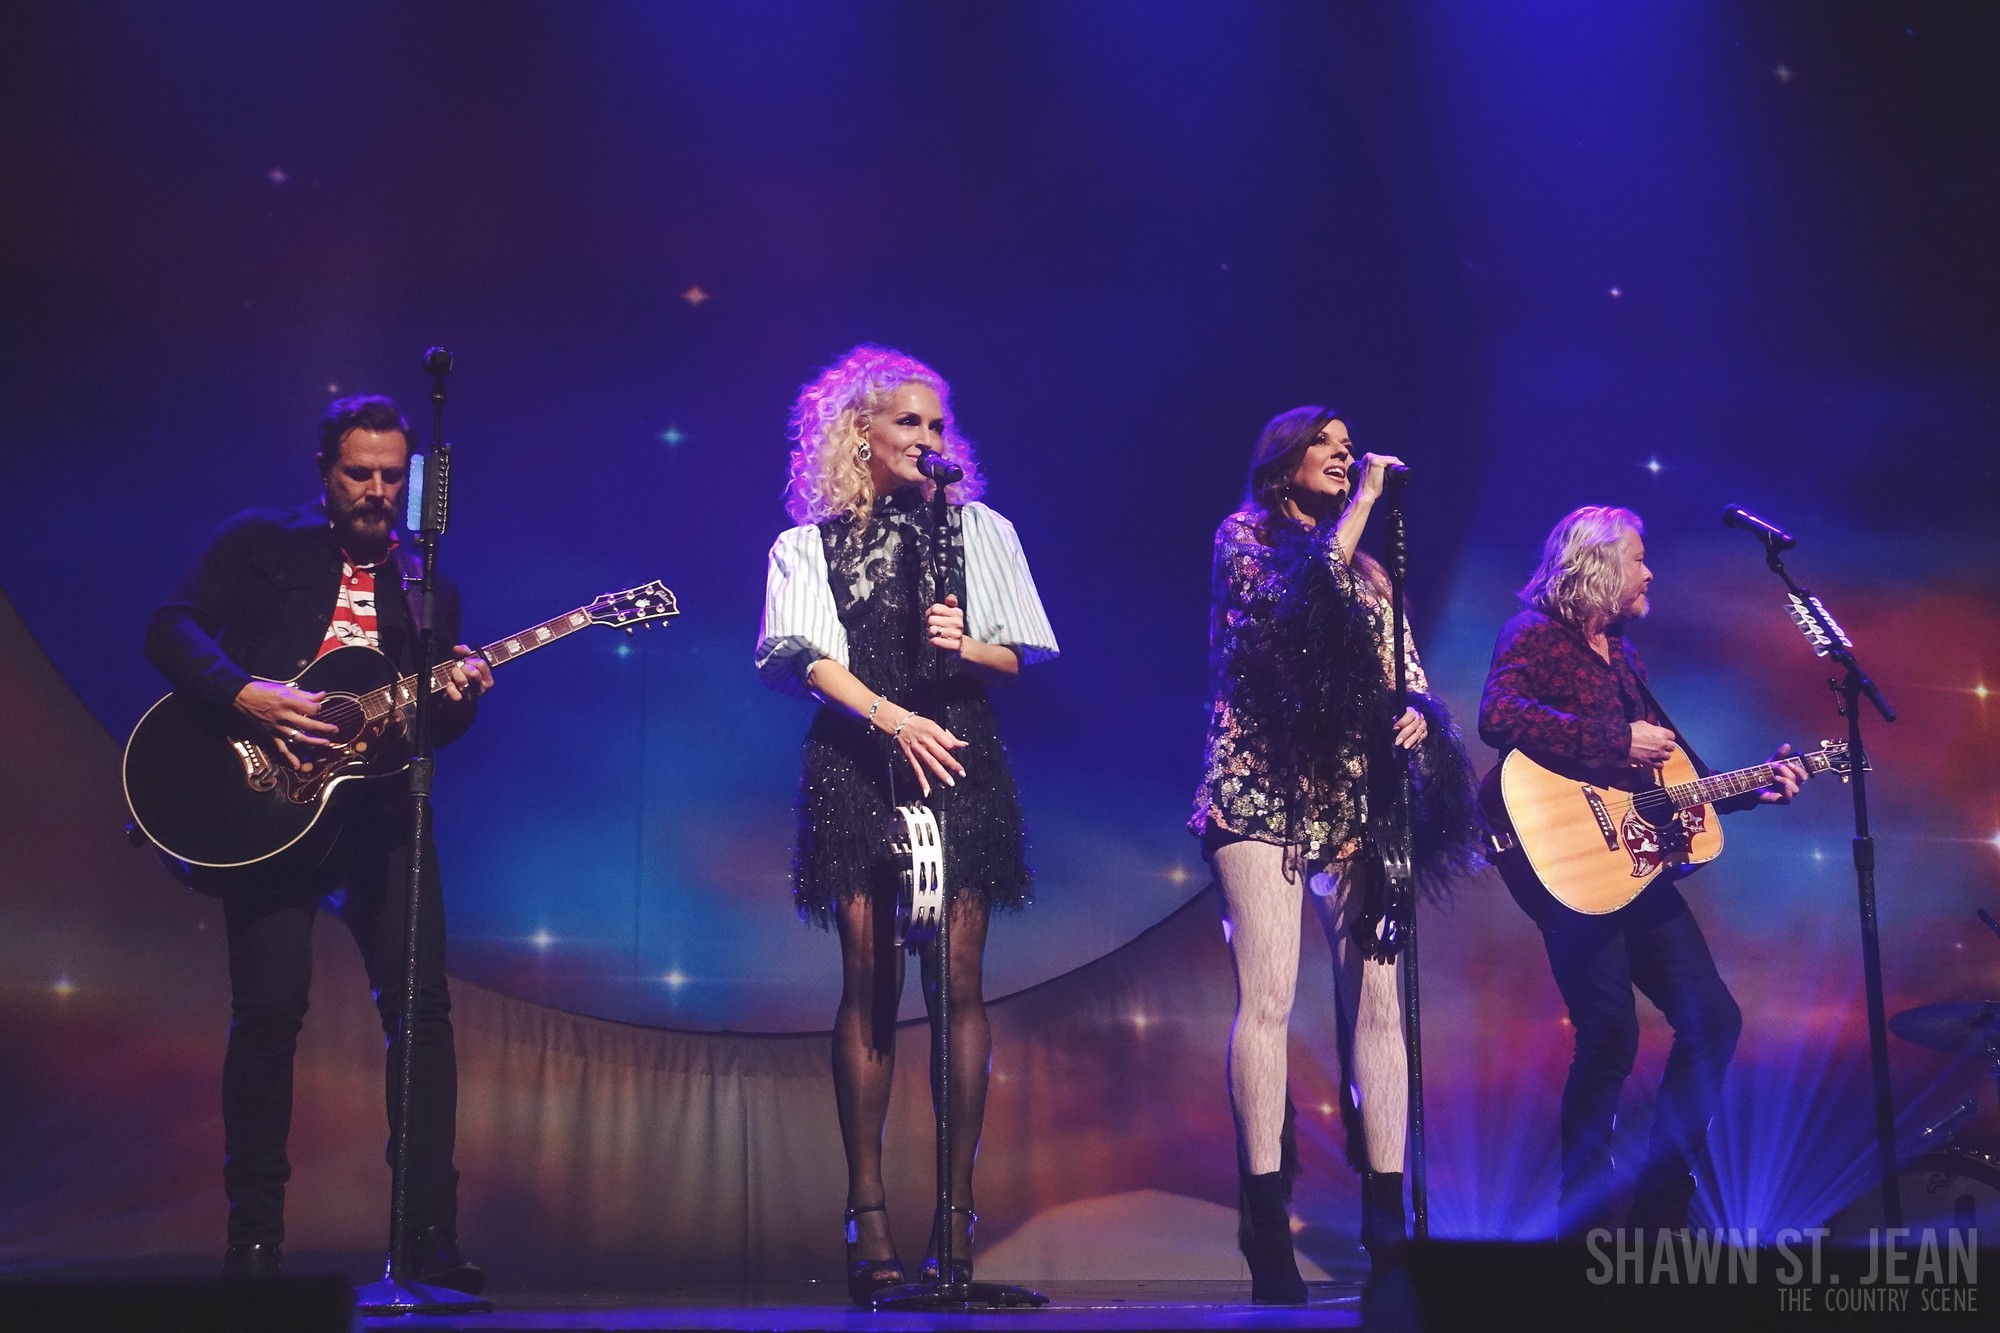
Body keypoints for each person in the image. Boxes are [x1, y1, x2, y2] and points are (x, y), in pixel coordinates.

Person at [145, 395, 493, 1287]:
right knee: (268, 1013)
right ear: (324, 471)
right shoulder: (259, 543)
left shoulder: (427, 583)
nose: (376, 490)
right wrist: (242, 691)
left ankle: (427, 1235)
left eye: (391, 476)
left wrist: (459, 700)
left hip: (380, 815)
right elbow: (169, 626)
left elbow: (424, 729)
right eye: (358, 473)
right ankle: (254, 1238)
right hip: (267, 810)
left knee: (422, 1013)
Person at [754, 345, 1058, 1305]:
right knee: (872, 980)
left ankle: (956, 1231)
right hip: (861, 759)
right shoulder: (808, 546)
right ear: (860, 434)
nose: (928, 438)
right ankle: (869, 1220)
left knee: (959, 982)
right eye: (907, 422)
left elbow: (1019, 655)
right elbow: (807, 659)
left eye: (937, 423)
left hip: (959, 757)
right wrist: (891, 718)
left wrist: (965, 647)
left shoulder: (978, 531)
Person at [1189, 407, 1480, 1304]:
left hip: (1355, 796)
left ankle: (1386, 1225)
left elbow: (1412, 675)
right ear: (1284, 459)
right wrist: (1361, 506)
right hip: (1261, 782)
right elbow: (1292, 606)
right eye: (1328, 441)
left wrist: (1418, 716)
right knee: (1269, 995)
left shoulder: (1372, 574)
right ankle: (1265, 1220)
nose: (1346, 453)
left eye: (1351, 445)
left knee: (1380, 1005)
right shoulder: (1243, 539)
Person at [1478, 505, 1808, 1237]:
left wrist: (1754, 787)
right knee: (1610, 1038)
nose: (1650, 572)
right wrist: (1613, 739)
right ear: (1598, 565)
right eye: (1638, 557)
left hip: (1637, 866)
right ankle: (1580, 1226)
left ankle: (1661, 1211)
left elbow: (1678, 774)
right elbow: (1499, 716)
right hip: (1568, 864)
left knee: (1713, 1021)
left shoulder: (1624, 655)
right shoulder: (1533, 634)